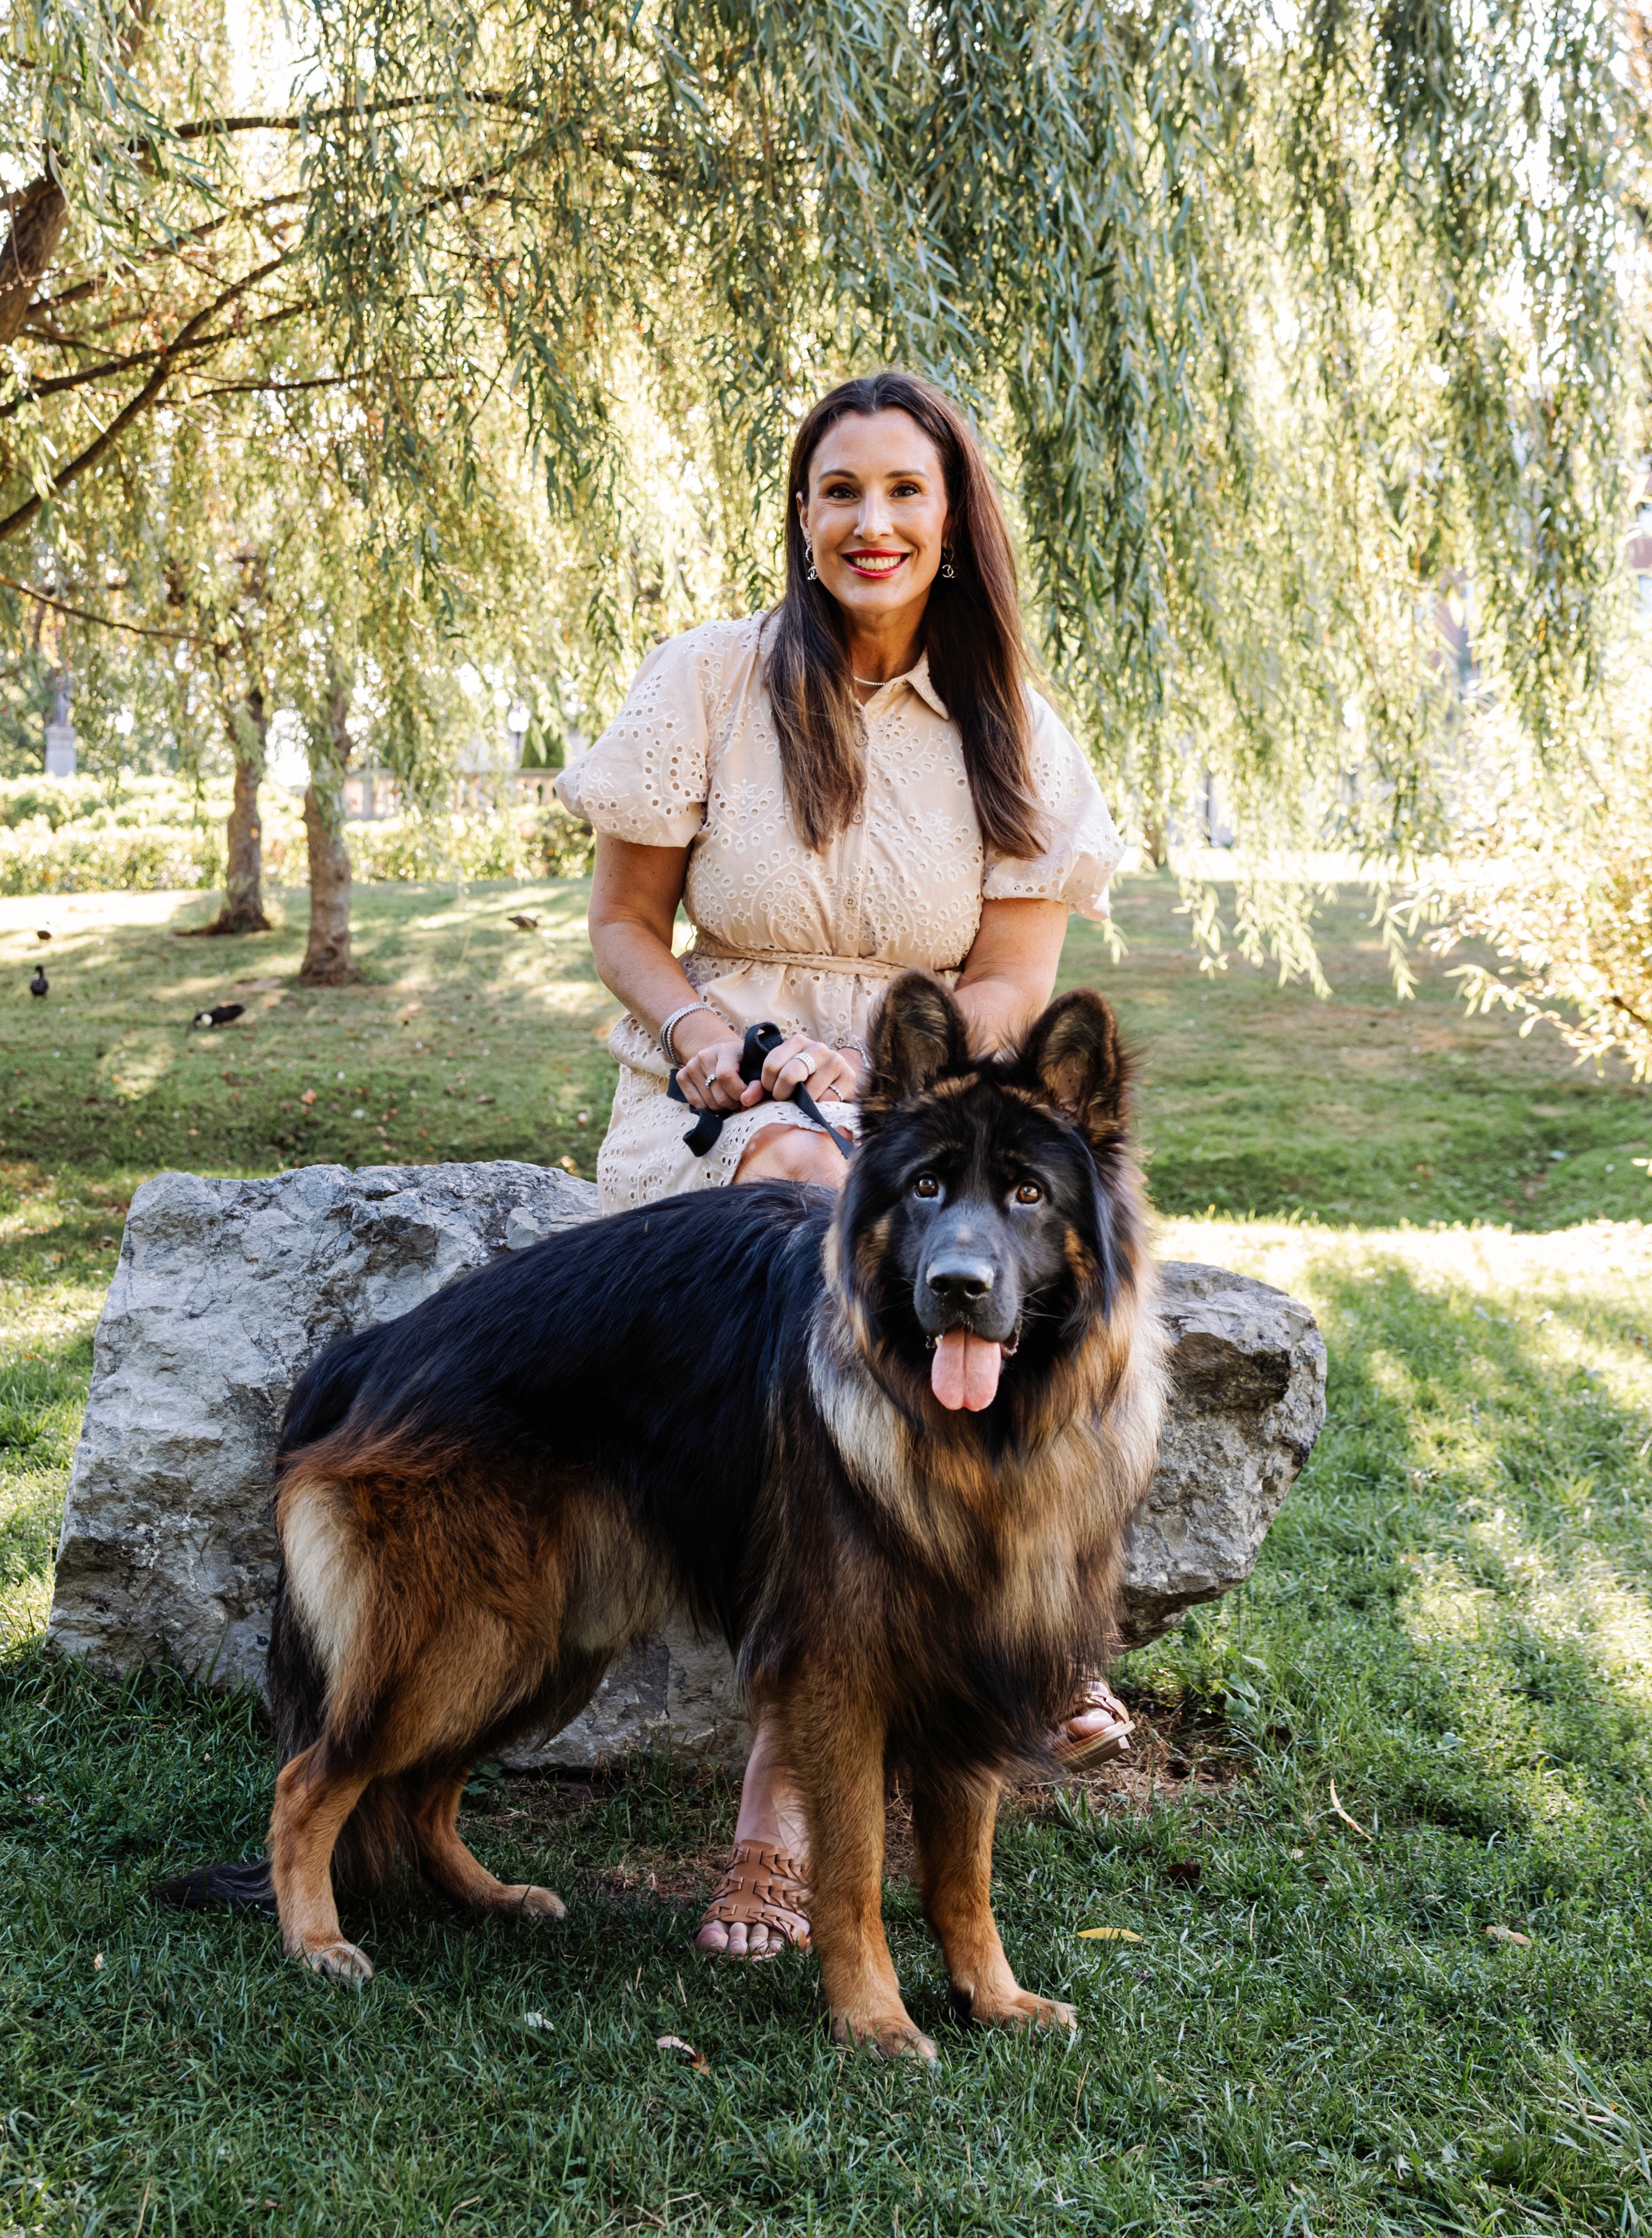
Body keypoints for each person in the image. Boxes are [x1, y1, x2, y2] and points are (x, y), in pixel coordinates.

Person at [553, 369, 1135, 1963]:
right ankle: (778, 1814)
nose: (870, 523)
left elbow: (1016, 979)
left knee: (1031, 1260)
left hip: (922, 1106)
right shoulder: (710, 683)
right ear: (802, 518)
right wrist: (702, 1036)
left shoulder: (1012, 723)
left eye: (904, 493)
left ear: (954, 525)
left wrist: (908, 1074)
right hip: (714, 1085)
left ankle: (1040, 1615)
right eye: (838, 493)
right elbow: (625, 926)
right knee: (803, 1204)